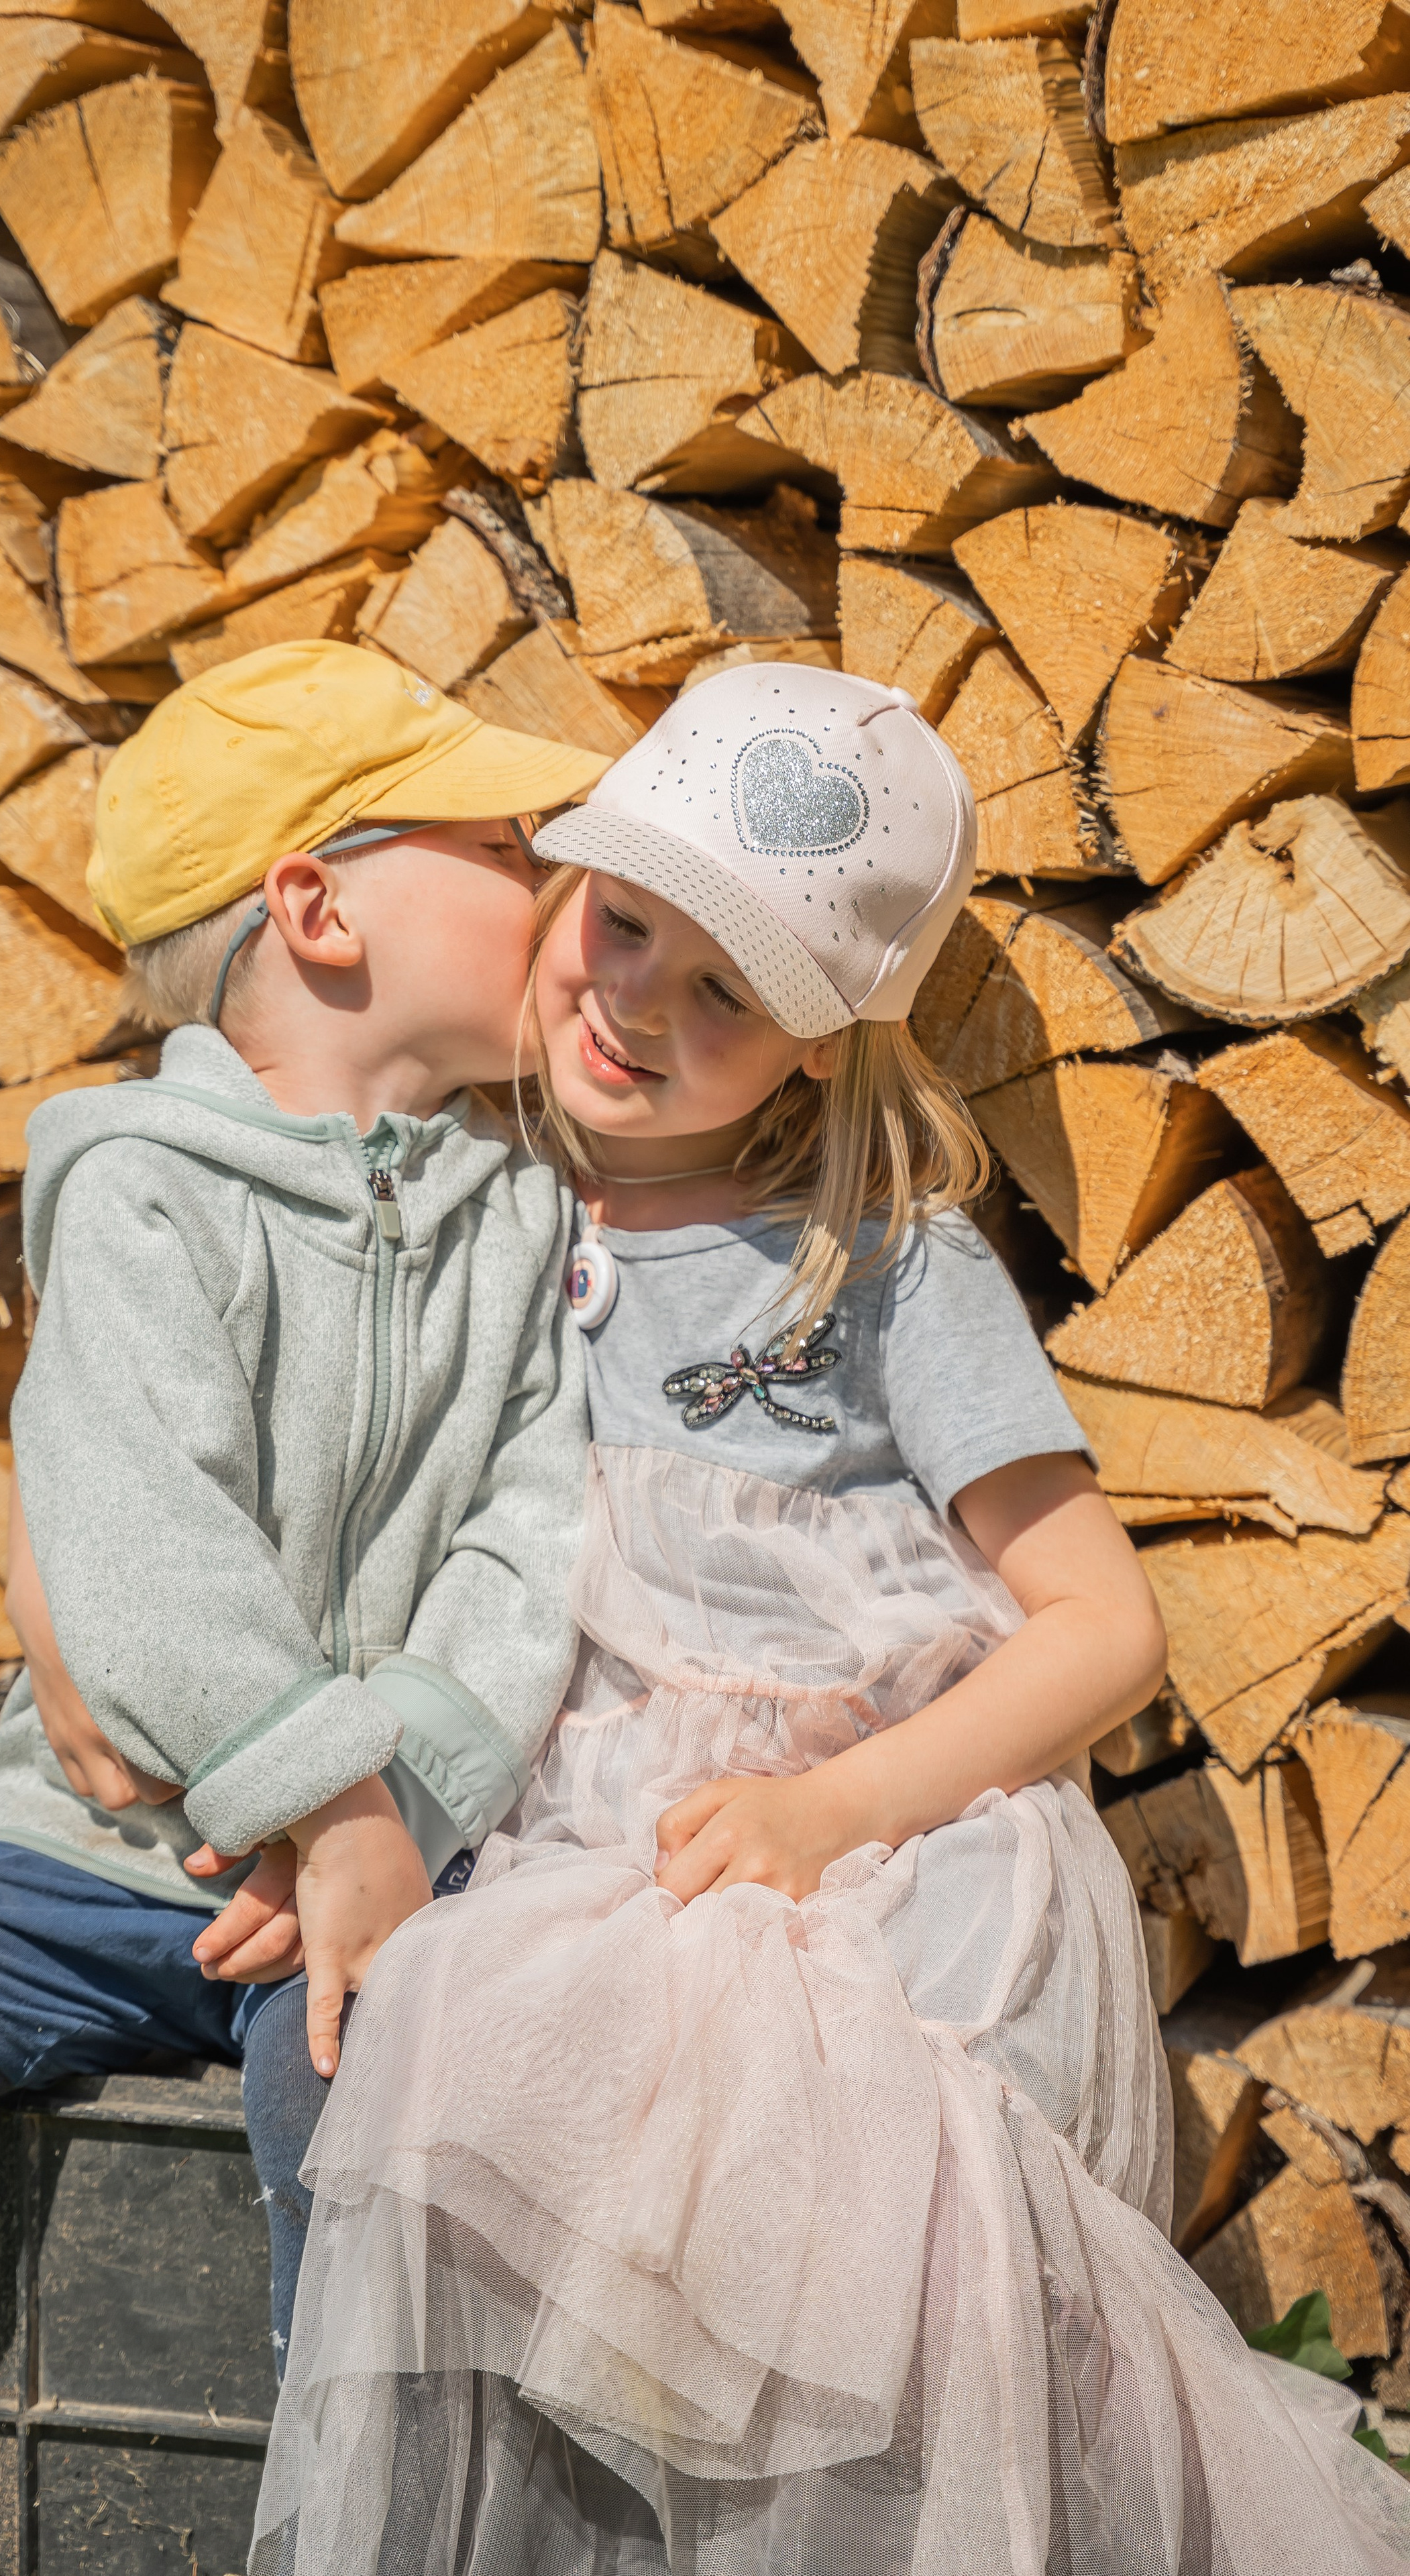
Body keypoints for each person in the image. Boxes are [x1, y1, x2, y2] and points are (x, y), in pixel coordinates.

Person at [245, 665, 1410, 2576]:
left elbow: (1100, 1631)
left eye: (731, 994)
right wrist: (342, 1804)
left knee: (808, 2218)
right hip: (563, 1829)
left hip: (855, 1857)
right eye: (624, 927)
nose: (638, 1005)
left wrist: (830, 1815)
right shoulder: (469, 1216)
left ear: (826, 1046)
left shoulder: (877, 1260)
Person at [0, 641, 608, 2574]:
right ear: (317, 905)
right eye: (507, 842)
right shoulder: (135, 1196)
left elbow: (531, 1542)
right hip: (90, 1855)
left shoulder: (524, 1221)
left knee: (352, 2132)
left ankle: (330, 2545)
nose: (557, 884)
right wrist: (321, 1797)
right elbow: (138, 1534)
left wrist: (399, 1812)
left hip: (390, 1874)